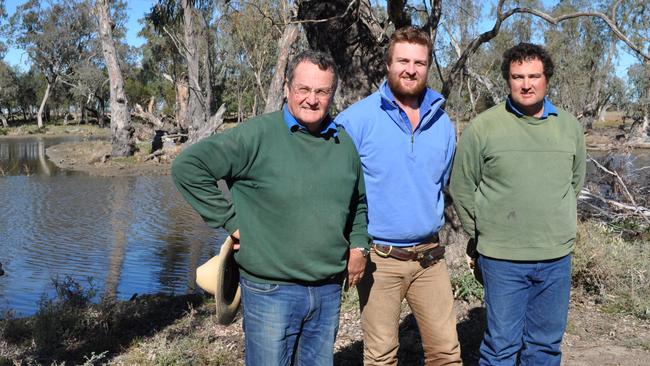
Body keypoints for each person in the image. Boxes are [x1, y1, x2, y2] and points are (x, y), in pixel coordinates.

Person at [172, 50, 370, 366]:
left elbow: (358, 203)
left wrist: (359, 247)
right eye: (304, 89)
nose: (312, 99)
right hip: (270, 290)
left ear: (332, 94)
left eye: (322, 91)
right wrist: (231, 221)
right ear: (287, 89)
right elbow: (188, 167)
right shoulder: (257, 136)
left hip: (328, 290)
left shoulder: (343, 144)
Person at [449, 42, 586, 365]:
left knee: (545, 346)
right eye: (518, 76)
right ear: (507, 80)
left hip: (555, 258)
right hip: (502, 259)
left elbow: (573, 182)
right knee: (501, 347)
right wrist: (482, 233)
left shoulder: (569, 127)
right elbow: (462, 186)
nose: (526, 84)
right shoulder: (484, 127)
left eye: (534, 76)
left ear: (547, 79)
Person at [336, 26, 461, 365]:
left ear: (428, 67)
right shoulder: (355, 121)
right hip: (379, 259)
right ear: (388, 63)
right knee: (381, 356)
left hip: (430, 258)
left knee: (446, 353)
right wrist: (352, 246)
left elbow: (444, 183)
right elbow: (337, 193)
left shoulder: (442, 123)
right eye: (403, 60)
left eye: (419, 62)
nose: (411, 69)